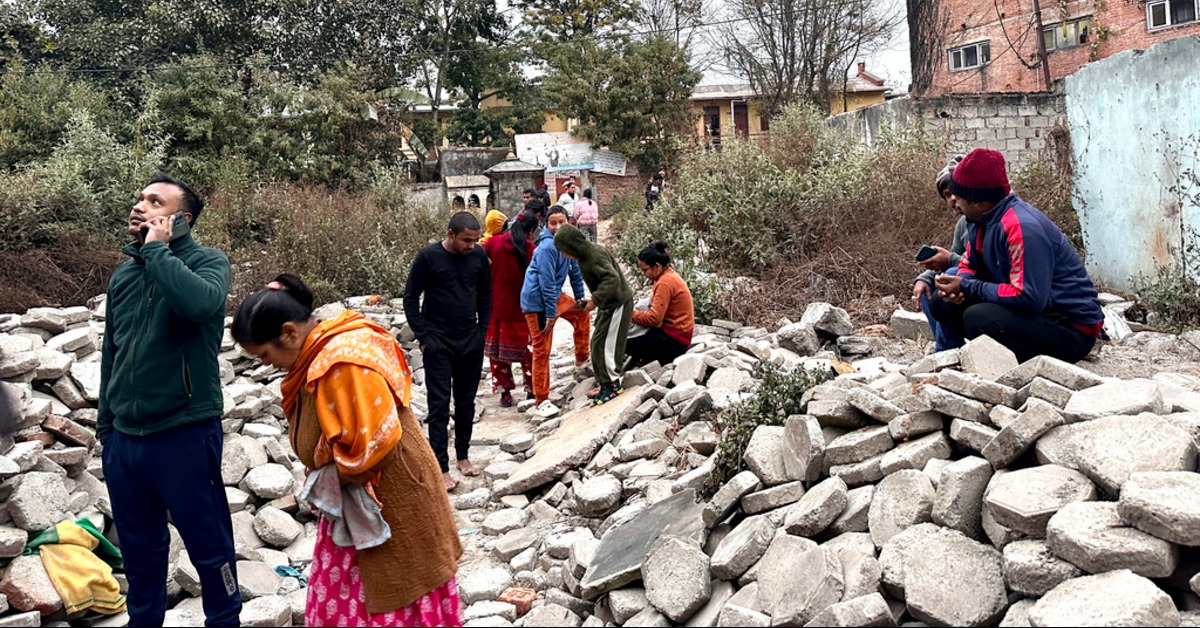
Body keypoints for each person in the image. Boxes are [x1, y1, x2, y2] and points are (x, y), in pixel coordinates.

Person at [232, 274, 463, 627]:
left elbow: (369, 447)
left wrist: (322, 481)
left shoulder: (342, 362)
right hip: (356, 505)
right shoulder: (318, 353)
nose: (264, 364)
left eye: (264, 353)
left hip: (391, 502)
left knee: (388, 598)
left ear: (290, 333)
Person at [97, 173, 241, 626]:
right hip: (127, 442)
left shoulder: (209, 263)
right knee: (140, 556)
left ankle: (225, 619)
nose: (139, 205)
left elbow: (199, 304)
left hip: (184, 432)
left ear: (181, 218)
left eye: (153, 201)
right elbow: (111, 354)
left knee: (209, 546)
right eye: (139, 197)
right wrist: (107, 429)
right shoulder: (125, 275)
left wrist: (158, 250)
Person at [927, 148, 1103, 363]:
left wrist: (968, 287)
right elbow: (969, 265)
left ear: (978, 202)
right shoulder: (979, 222)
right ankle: (957, 359)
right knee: (942, 303)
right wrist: (959, 288)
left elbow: (1029, 297)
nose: (956, 204)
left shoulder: (1021, 227)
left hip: (1070, 328)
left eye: (960, 198)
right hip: (1035, 314)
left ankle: (1022, 366)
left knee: (978, 318)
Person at [403, 212, 492, 492]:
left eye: (475, 240)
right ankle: (440, 466)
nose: (471, 245)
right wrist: (424, 336)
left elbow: (485, 295)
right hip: (438, 342)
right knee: (439, 406)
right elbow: (410, 298)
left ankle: (463, 457)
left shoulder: (478, 257)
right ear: (451, 234)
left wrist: (482, 332)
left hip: (470, 339)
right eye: (466, 240)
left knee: (466, 402)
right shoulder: (428, 257)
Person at [554, 223, 634, 405]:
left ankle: (613, 384)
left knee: (607, 345)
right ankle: (604, 383)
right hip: (608, 304)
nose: (563, 255)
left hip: (618, 303)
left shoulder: (594, 254)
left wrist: (595, 300)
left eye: (563, 250)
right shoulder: (584, 257)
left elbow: (612, 278)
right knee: (596, 342)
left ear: (571, 246)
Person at [520, 207, 591, 410]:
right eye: (553, 223)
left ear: (569, 222)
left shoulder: (568, 244)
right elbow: (546, 283)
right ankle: (541, 399)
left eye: (562, 222)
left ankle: (581, 361)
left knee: (581, 314)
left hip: (554, 296)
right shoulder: (546, 248)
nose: (558, 227)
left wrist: (579, 299)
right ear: (546, 224)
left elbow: (575, 273)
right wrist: (551, 315)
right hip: (536, 303)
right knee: (542, 349)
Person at [912, 155, 969, 351]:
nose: (953, 198)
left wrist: (950, 261)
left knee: (948, 279)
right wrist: (923, 278)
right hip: (971, 284)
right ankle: (948, 352)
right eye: (947, 194)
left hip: (990, 289)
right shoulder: (963, 225)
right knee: (929, 288)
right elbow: (955, 258)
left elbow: (986, 263)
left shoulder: (991, 221)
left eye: (956, 191)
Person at [483, 212, 538, 407]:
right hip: (523, 310)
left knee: (498, 355)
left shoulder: (493, 243)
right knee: (528, 353)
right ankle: (532, 389)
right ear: (531, 231)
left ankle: (505, 392)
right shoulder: (531, 249)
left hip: (497, 307)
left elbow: (478, 259)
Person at [626, 242, 695, 369]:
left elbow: (654, 318)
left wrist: (630, 315)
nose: (643, 274)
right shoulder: (668, 275)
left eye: (645, 270)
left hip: (674, 341)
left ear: (657, 266)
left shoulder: (665, 282)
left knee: (622, 341)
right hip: (678, 335)